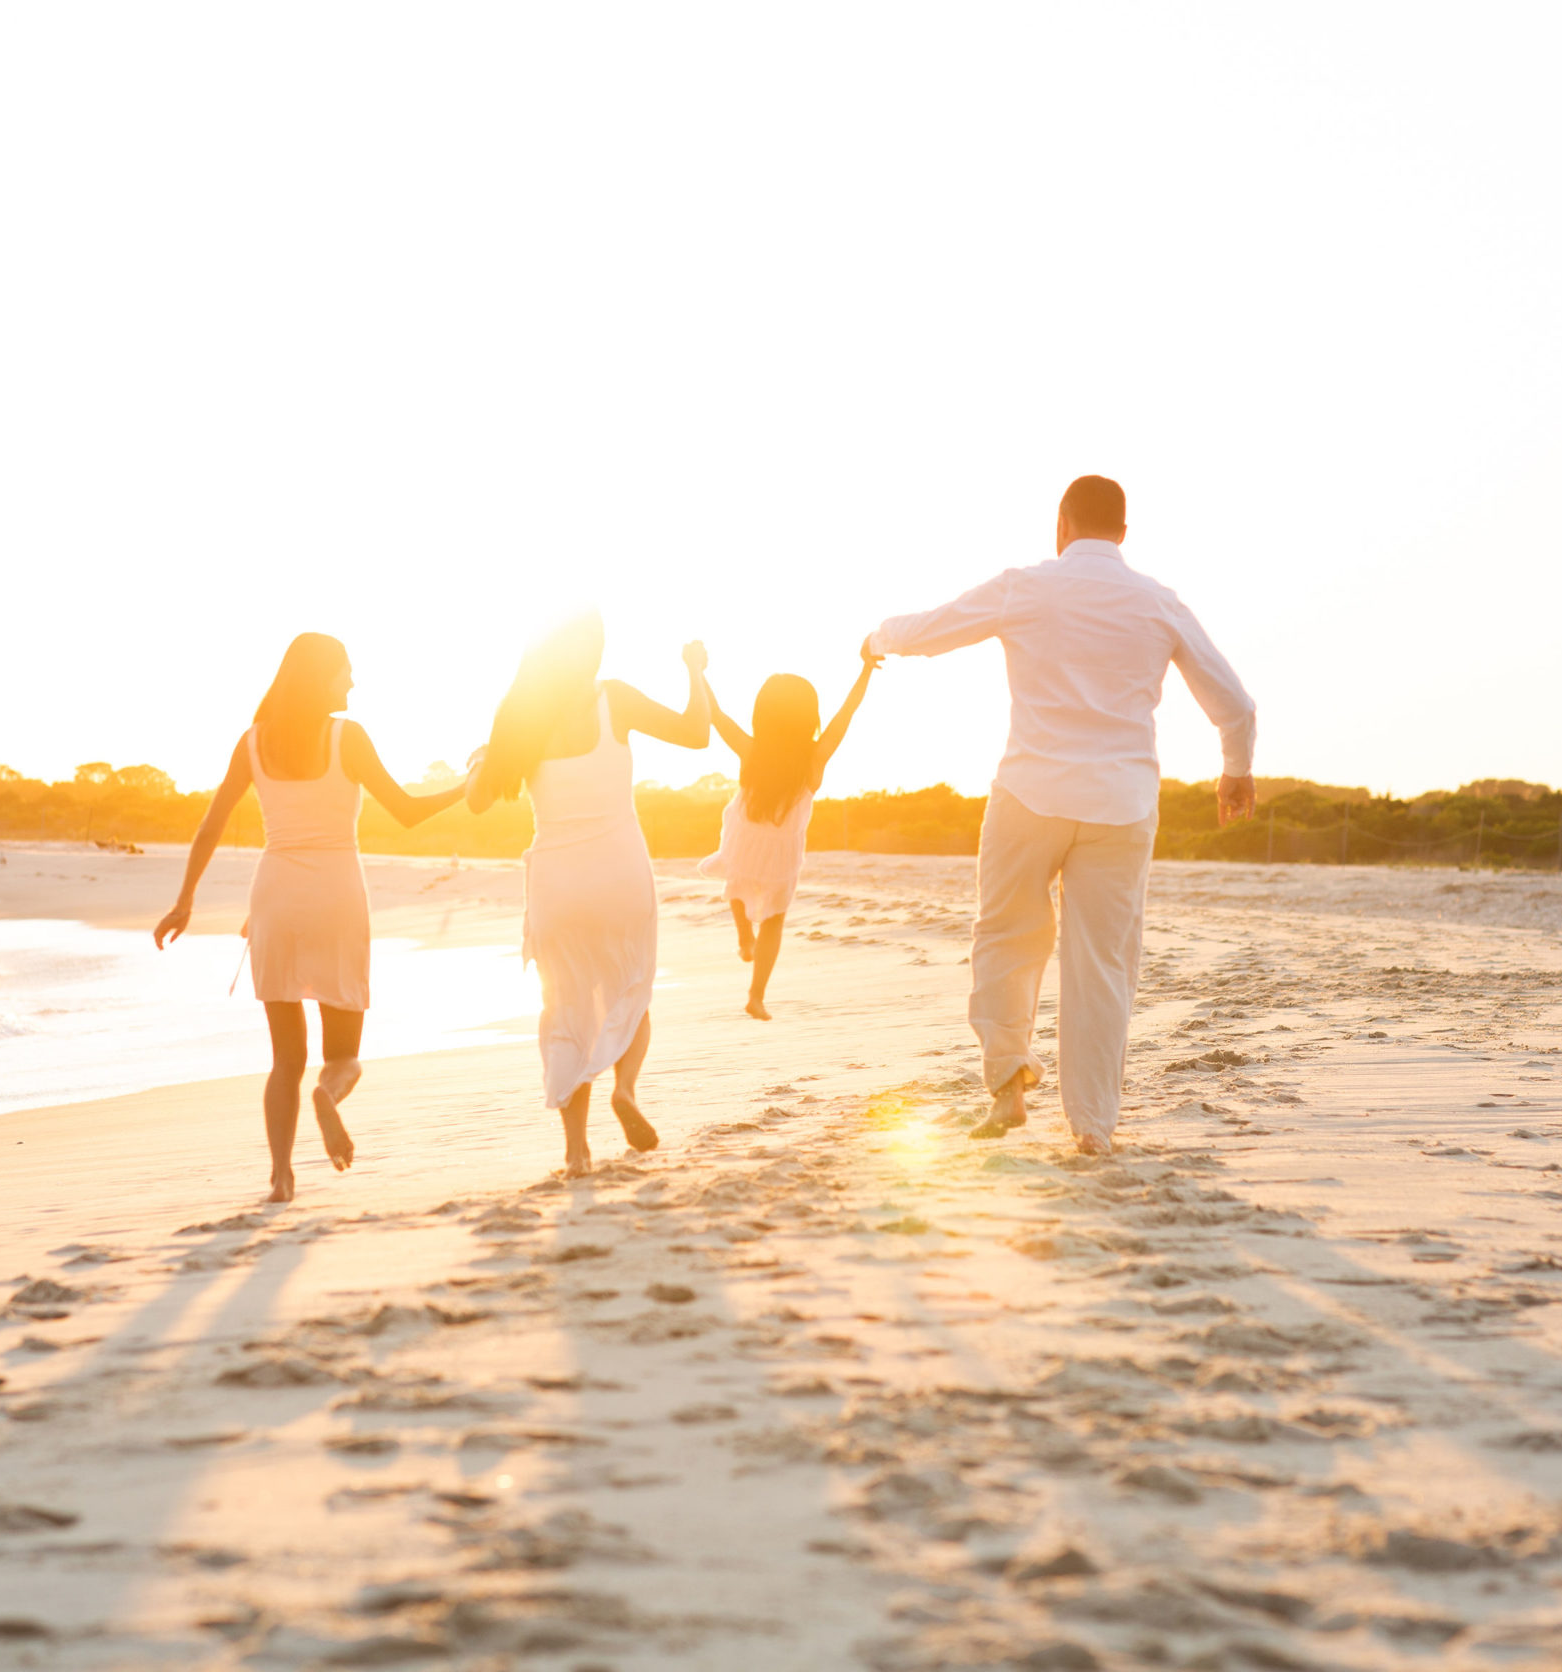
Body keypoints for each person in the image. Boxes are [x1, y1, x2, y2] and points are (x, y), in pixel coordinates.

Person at [865, 475, 1257, 1156]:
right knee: (1102, 965)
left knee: (1004, 936)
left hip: (1029, 795)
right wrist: (1236, 769)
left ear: (1062, 524)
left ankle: (1009, 1080)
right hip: (1121, 805)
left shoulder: (1028, 586)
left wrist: (878, 639)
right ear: (1124, 533)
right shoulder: (1159, 602)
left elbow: (933, 630)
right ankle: (1092, 1126)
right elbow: (1236, 702)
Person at [154, 633, 467, 1203]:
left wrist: (184, 900)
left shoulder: (252, 743)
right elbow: (407, 813)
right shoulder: (347, 737)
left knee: (284, 1058)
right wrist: (469, 785)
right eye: (345, 672)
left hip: (275, 898)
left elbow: (210, 825)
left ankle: (280, 1176)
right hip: (337, 895)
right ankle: (330, 1094)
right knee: (342, 1056)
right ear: (321, 678)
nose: (352, 682)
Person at [466, 615, 710, 1177]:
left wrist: (481, 762)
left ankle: (576, 1149)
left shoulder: (520, 717)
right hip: (619, 869)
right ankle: (624, 1089)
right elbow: (696, 732)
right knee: (631, 986)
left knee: (566, 1005)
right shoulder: (614, 700)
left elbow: (479, 801)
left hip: (558, 880)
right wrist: (695, 672)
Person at [700, 660, 877, 1019]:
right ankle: (756, 994)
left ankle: (742, 937)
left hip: (744, 838)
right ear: (809, 716)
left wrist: (696, 671)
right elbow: (848, 711)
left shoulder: (752, 751)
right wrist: (866, 669)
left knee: (735, 873)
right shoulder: (814, 757)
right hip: (783, 851)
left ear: (761, 714)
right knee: (774, 918)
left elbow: (715, 715)